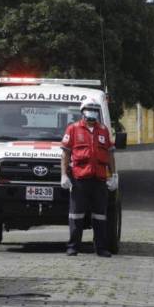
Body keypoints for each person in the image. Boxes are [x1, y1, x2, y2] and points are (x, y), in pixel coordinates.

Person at [60, 100, 118, 257]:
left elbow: (110, 154)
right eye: (89, 109)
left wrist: (113, 175)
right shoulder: (73, 129)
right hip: (80, 179)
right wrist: (64, 175)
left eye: (94, 109)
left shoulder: (104, 130)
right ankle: (73, 247)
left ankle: (101, 248)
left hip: (99, 180)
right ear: (82, 111)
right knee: (76, 215)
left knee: (100, 215)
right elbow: (65, 153)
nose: (92, 111)